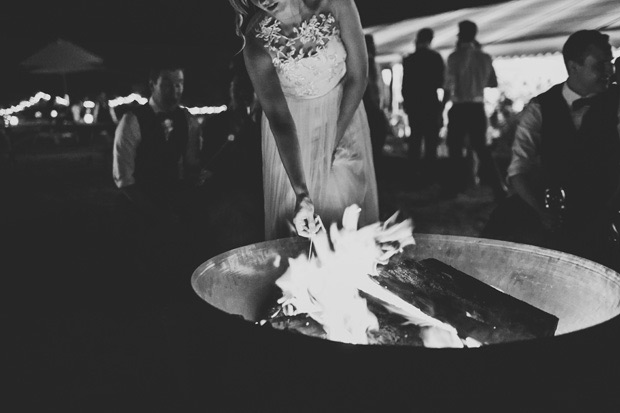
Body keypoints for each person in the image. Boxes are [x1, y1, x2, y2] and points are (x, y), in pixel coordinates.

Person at [228, 0, 379, 240]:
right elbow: (279, 118)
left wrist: (332, 142)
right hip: (292, 139)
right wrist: (301, 191)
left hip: (345, 116)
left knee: (346, 219)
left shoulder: (336, 4)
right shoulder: (255, 41)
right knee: (300, 228)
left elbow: (359, 76)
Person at [482, 30, 620, 271]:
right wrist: (540, 211)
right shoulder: (540, 107)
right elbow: (518, 170)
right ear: (573, 66)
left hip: (607, 203)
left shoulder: (616, 101)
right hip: (557, 206)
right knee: (503, 224)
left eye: (611, 62)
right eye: (600, 65)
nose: (609, 71)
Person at [112, 60, 204, 292]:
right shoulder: (132, 120)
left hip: (173, 196)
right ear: (153, 84)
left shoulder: (188, 120)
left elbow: (191, 163)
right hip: (138, 200)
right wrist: (156, 212)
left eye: (180, 84)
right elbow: (124, 179)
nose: (175, 90)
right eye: (168, 84)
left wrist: (199, 176)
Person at [199, 55, 264, 254]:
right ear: (230, 91)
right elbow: (209, 162)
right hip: (225, 202)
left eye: (248, 90)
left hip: (253, 200)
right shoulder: (215, 123)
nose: (243, 95)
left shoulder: (261, 125)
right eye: (237, 89)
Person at [442, 20, 507, 201]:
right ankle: (498, 188)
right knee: (482, 150)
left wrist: (441, 108)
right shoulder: (484, 57)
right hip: (477, 107)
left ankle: (454, 188)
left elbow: (448, 87)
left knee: (454, 148)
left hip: (460, 107)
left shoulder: (454, 57)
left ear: (460, 35)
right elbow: (493, 82)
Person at [401, 27, 445, 183]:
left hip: (414, 104)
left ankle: (412, 175)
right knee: (431, 142)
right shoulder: (435, 57)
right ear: (431, 40)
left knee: (415, 140)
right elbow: (441, 82)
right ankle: (430, 176)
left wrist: (406, 103)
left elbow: (405, 85)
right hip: (430, 103)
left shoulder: (409, 59)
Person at [363, 33, 391, 177]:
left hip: (370, 110)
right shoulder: (368, 62)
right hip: (370, 110)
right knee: (374, 148)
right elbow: (374, 89)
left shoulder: (369, 62)